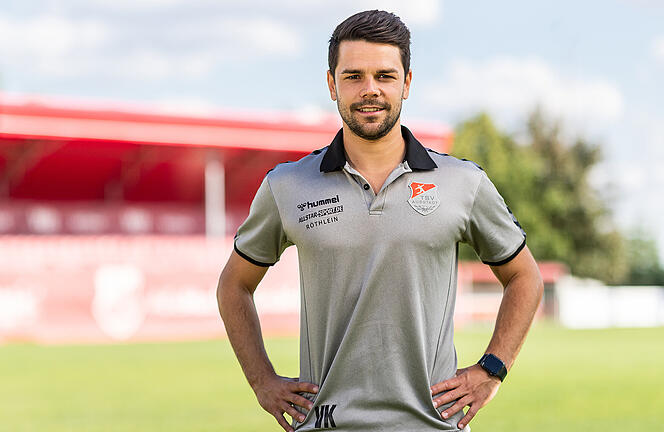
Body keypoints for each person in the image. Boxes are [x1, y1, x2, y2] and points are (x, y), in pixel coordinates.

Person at [217, 9, 543, 432]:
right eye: (353, 76)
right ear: (331, 84)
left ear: (406, 83)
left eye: (385, 76)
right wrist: (262, 382)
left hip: (432, 425)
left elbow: (525, 277)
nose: (369, 90)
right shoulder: (287, 186)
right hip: (325, 423)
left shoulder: (464, 183)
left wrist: (492, 369)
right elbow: (234, 285)